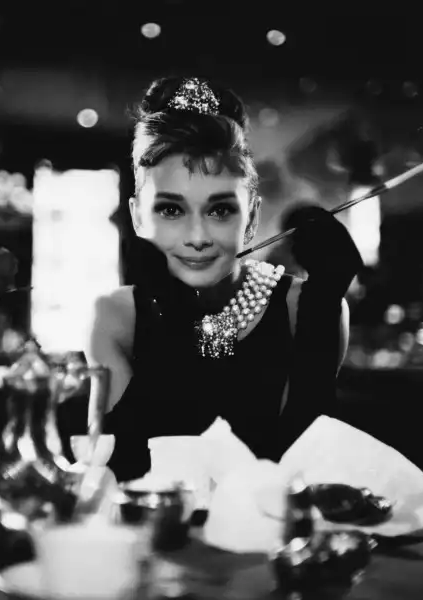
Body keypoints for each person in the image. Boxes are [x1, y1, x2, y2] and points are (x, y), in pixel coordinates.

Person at [85, 76, 363, 482]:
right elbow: (123, 465)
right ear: (138, 217)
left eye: (220, 210)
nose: (197, 237)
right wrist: (172, 316)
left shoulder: (304, 307)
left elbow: (308, 470)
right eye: (171, 210)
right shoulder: (116, 316)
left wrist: (319, 315)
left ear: (251, 219)